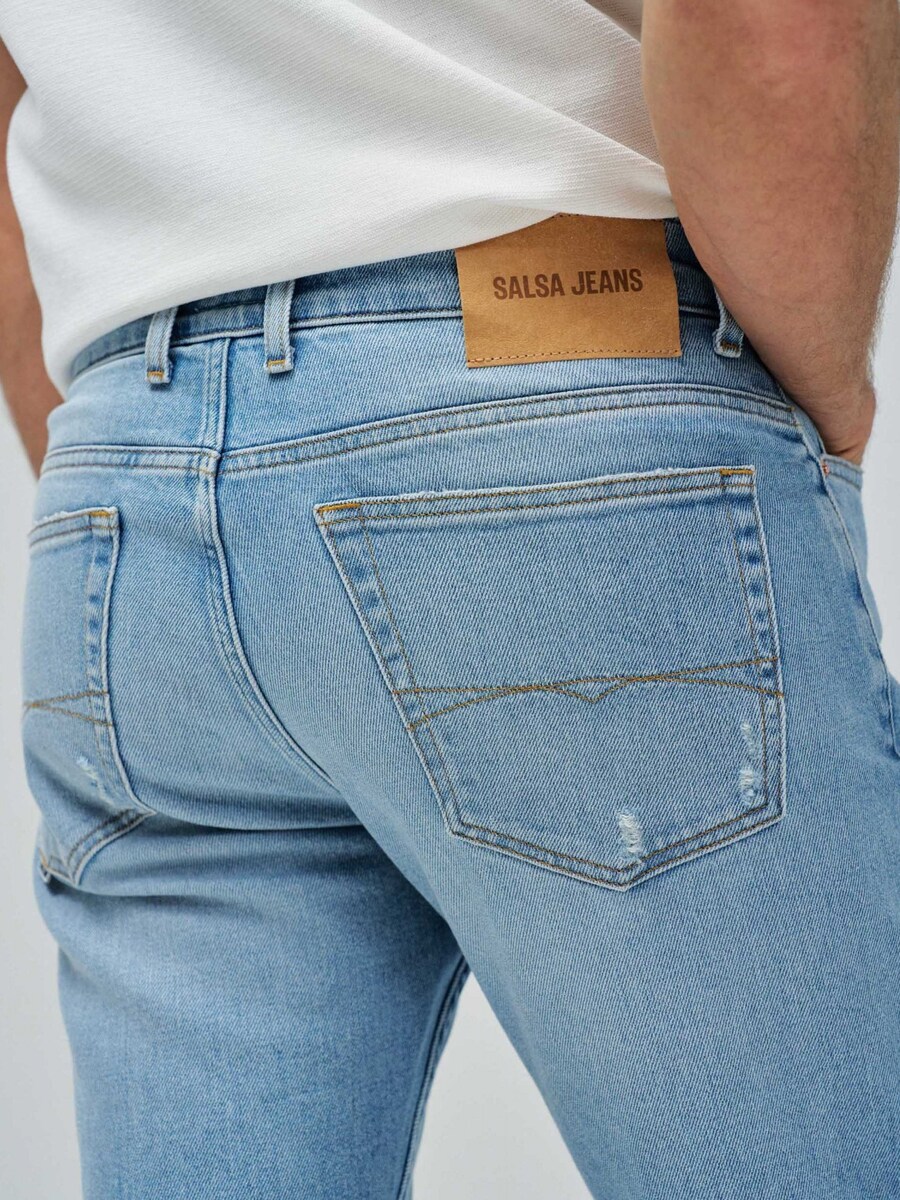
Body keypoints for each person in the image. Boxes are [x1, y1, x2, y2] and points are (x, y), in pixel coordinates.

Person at [1, 2, 898, 1197]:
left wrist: (104, 452)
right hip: (552, 404)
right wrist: (832, 402)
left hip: (125, 481)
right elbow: (771, 26)